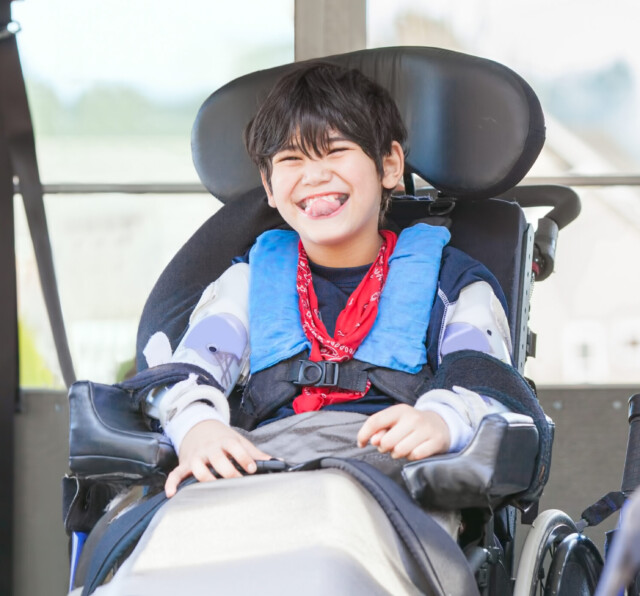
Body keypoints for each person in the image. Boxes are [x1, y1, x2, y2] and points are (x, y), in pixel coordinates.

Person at [141, 62, 519, 501]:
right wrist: (199, 429)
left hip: (394, 484)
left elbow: (487, 386)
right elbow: (188, 373)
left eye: (335, 151)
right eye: (291, 159)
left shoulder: (452, 285)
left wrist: (442, 420)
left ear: (390, 165)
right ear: (268, 184)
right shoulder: (248, 282)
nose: (314, 175)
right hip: (264, 477)